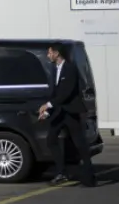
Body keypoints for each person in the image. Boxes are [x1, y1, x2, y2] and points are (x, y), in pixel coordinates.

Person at [36, 42, 96, 188]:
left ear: (57, 53)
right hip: (58, 112)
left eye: (50, 52)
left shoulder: (70, 69)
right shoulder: (54, 69)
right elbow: (54, 93)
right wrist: (47, 111)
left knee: (79, 143)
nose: (48, 55)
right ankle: (61, 173)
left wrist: (47, 105)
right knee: (51, 140)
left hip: (71, 112)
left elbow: (65, 93)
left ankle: (89, 176)